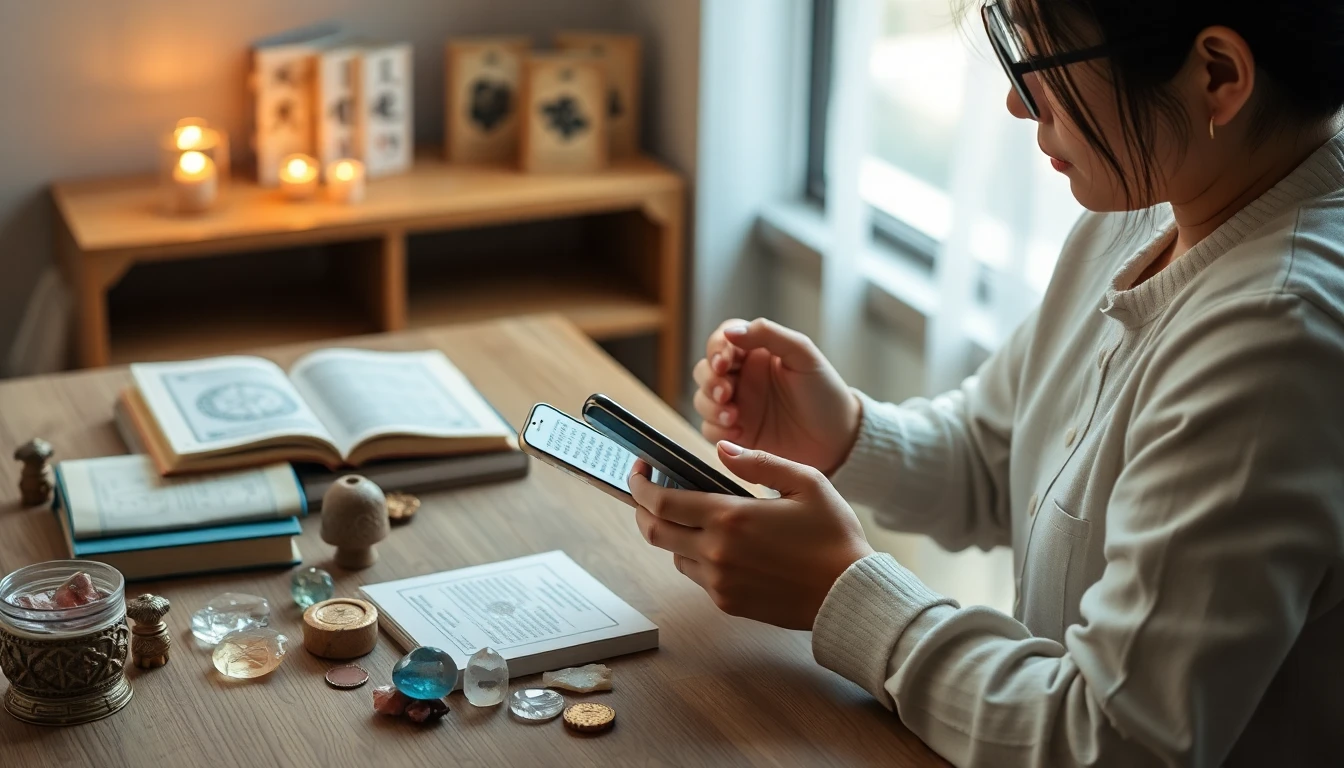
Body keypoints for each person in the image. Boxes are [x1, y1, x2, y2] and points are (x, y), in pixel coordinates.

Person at [627, 0, 1344, 765]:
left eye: (1040, 63)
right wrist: (845, 435)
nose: (1015, 100)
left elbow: (1112, 740)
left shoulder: (1273, 338)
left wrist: (846, 594)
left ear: (1218, 76)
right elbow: (998, 456)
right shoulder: (1145, 212)